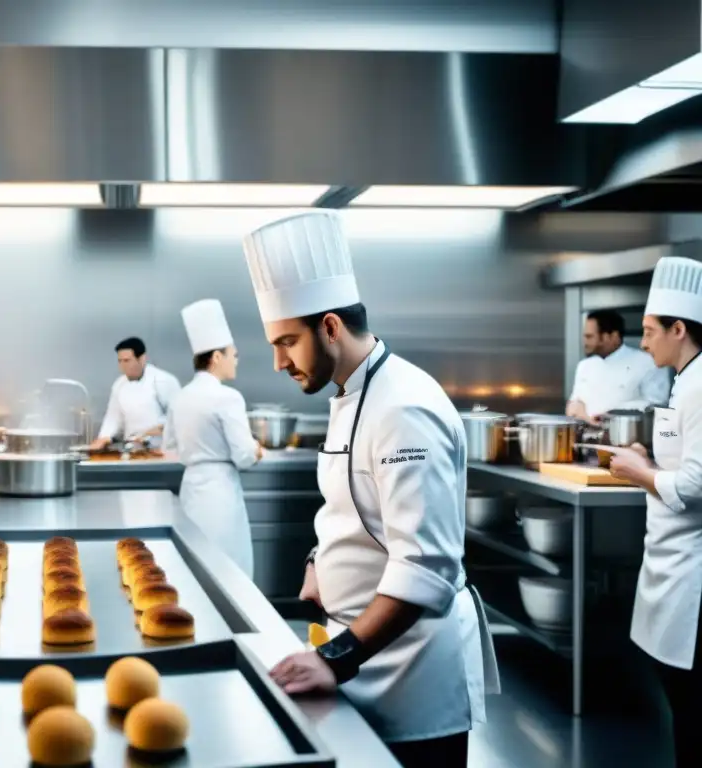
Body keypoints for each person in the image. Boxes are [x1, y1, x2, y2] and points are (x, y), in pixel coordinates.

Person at [242, 211, 498, 768]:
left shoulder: (404, 407)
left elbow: (426, 566)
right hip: (359, 652)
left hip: (409, 672)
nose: (279, 362)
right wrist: (318, 560)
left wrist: (334, 658)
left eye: (287, 342)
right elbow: (354, 504)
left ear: (331, 327)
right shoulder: (349, 391)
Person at [609, 256, 702, 767]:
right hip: (666, 559)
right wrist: (646, 460)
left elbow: (697, 483)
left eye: (649, 332)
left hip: (691, 572)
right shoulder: (683, 379)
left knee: (689, 705)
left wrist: (639, 471)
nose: (643, 344)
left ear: (678, 329)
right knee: (678, 697)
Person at [163, 299, 263, 577]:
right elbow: (244, 455)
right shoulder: (228, 397)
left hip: (191, 491)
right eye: (233, 354)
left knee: (196, 566)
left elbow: (169, 446)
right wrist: (257, 449)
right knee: (228, 571)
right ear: (217, 357)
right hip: (220, 495)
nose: (236, 360)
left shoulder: (180, 397)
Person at [567, 309, 670, 424]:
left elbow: (656, 405)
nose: (585, 342)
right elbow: (574, 404)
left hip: (629, 433)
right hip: (586, 433)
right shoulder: (584, 365)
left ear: (613, 336)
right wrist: (588, 418)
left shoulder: (648, 362)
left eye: (590, 337)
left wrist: (611, 414)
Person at [90, 337, 180, 449]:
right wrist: (103, 439)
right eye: (120, 361)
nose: (122, 366)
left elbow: (178, 417)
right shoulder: (119, 385)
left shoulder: (163, 380)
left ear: (141, 359)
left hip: (163, 449)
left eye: (127, 361)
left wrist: (153, 431)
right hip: (133, 449)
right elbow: (113, 418)